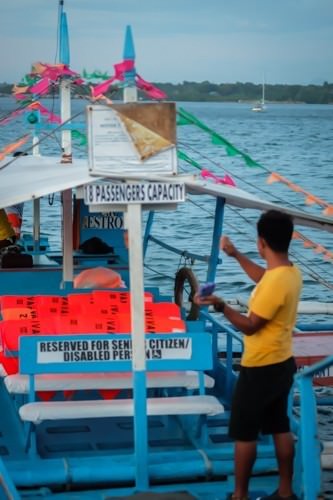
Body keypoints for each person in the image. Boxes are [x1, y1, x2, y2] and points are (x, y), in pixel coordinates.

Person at [195, 210, 302, 500]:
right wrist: (236, 255)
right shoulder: (289, 272)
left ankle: (239, 495)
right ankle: (285, 491)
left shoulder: (276, 282)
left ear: (262, 242)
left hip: (260, 367)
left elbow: (251, 326)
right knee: (279, 424)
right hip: (282, 362)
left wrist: (221, 306)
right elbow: (265, 278)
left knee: (245, 433)